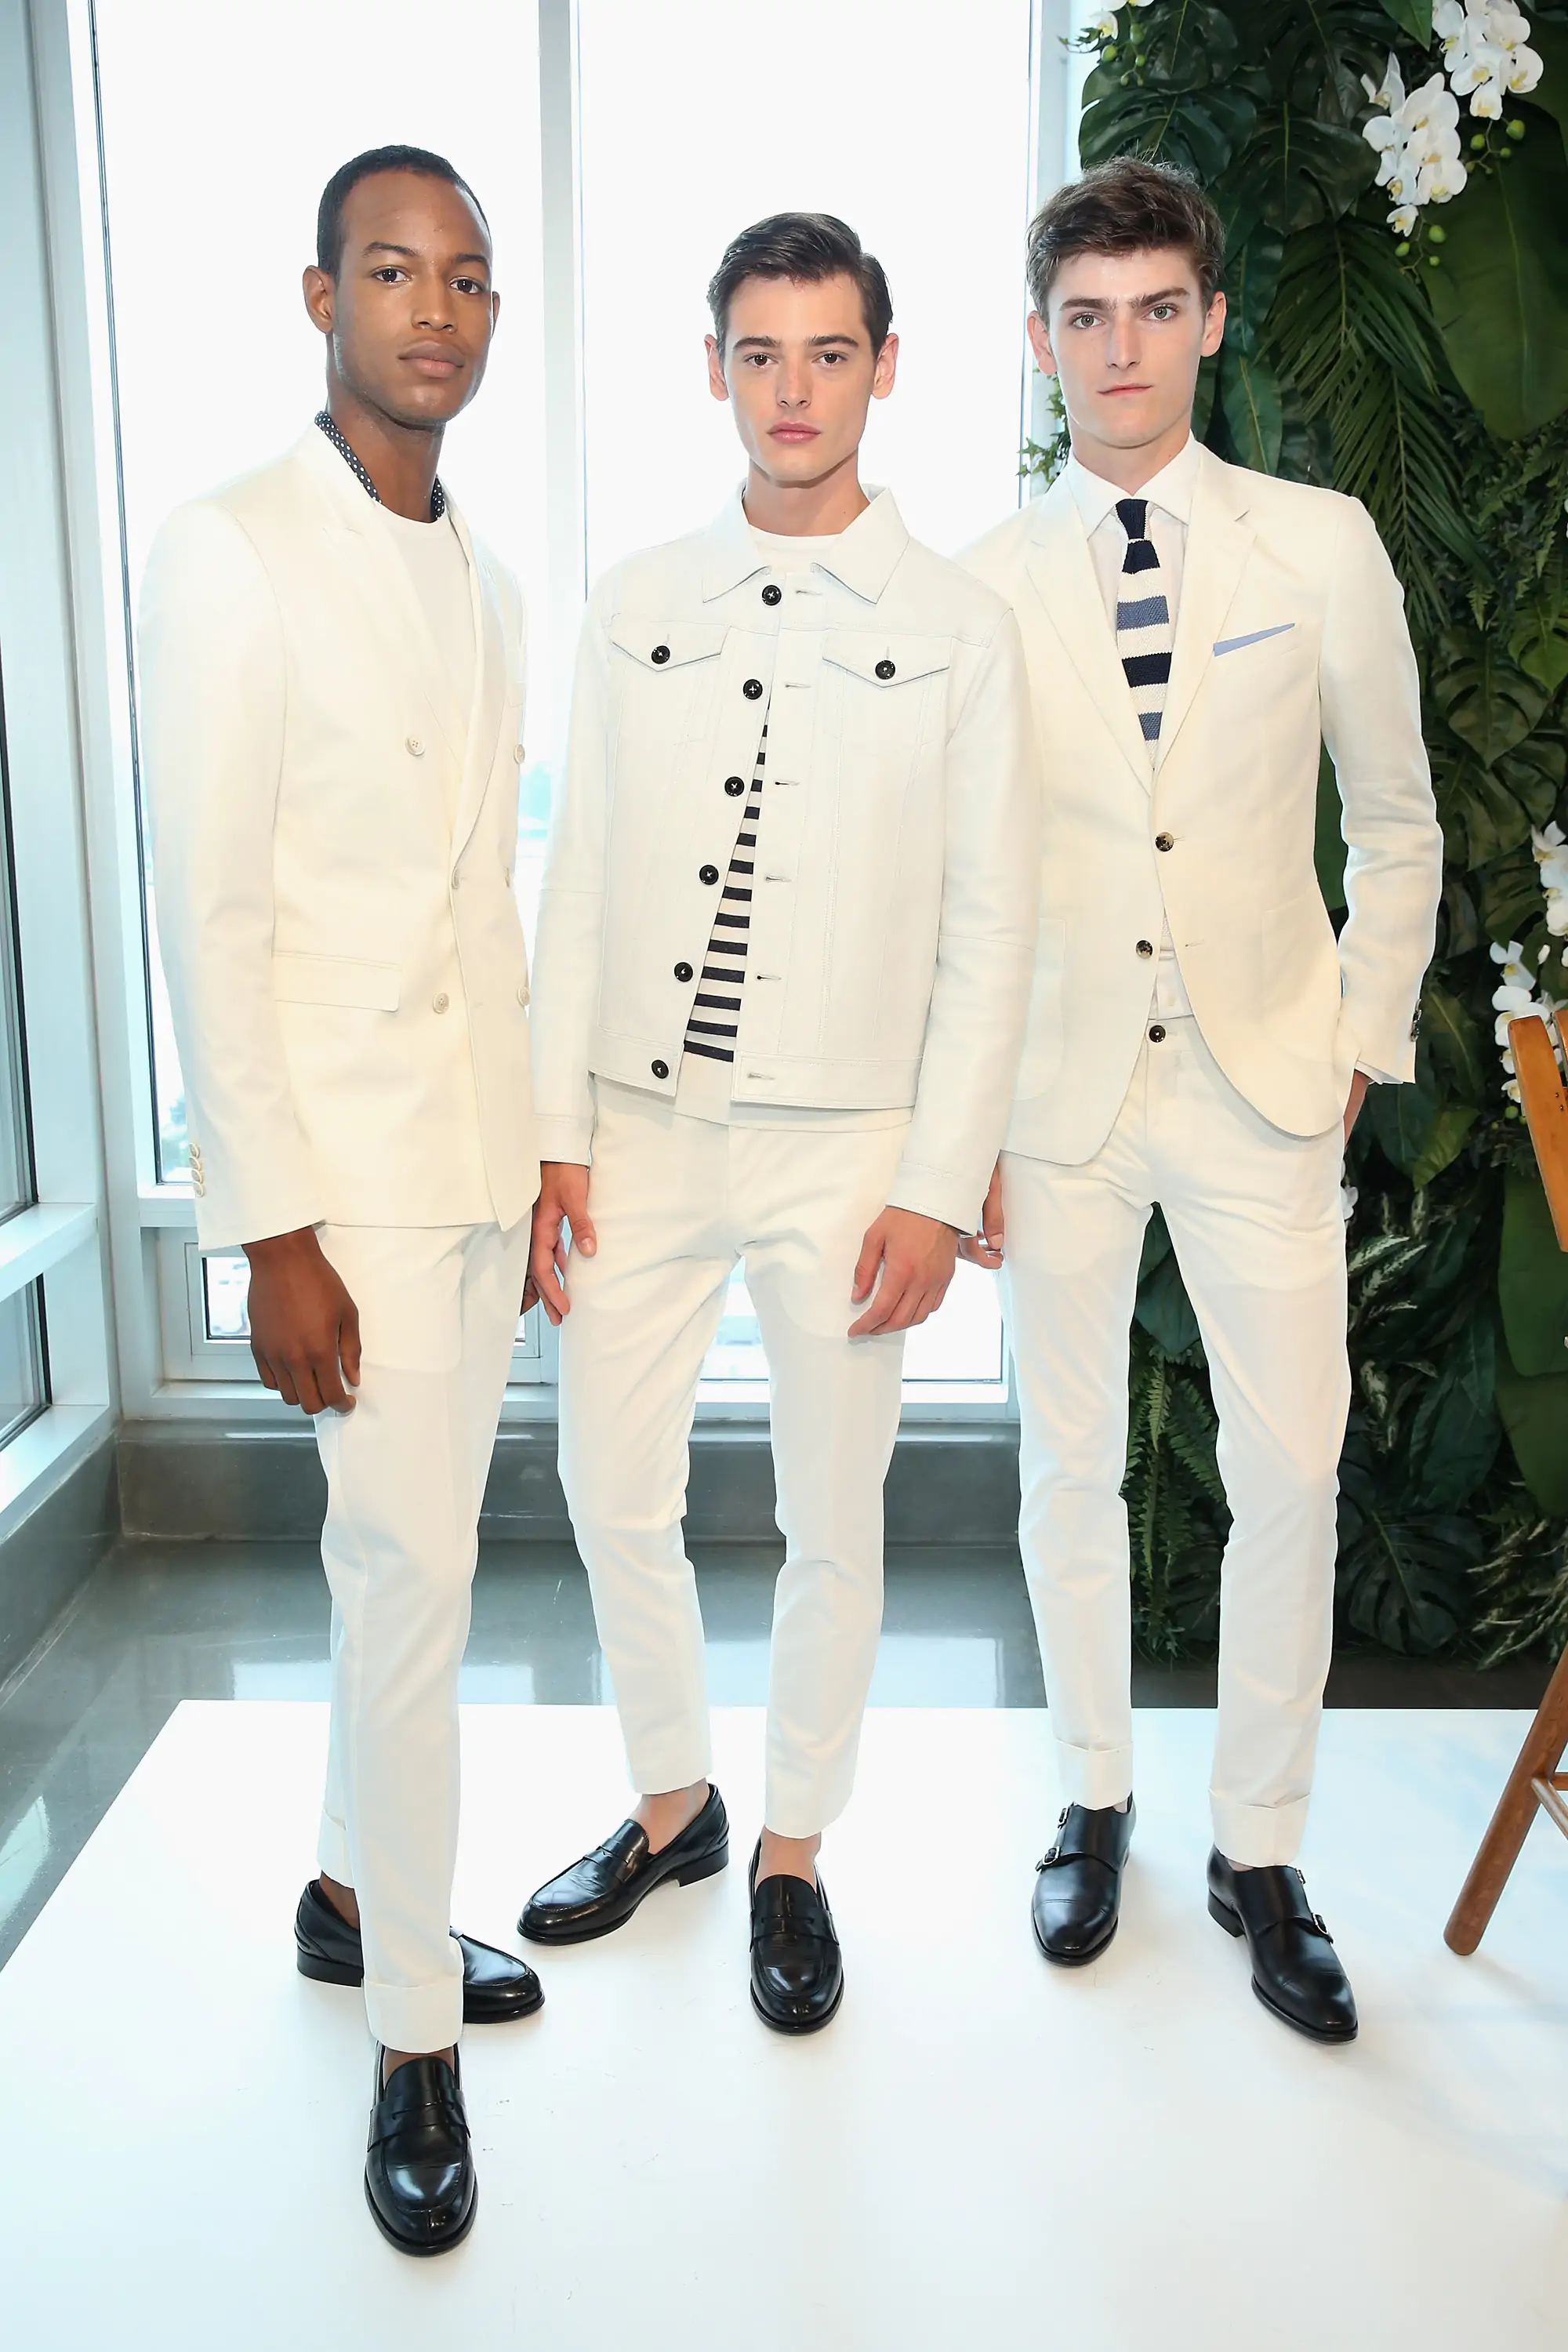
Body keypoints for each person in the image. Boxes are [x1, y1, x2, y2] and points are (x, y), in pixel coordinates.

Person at [521, 213, 1038, 2031]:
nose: (794, 389)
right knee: (605, 1482)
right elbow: (576, 874)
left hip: (849, 1146)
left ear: (883, 366)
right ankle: (674, 1802)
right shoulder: (635, 601)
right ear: (714, 367)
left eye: (829, 353)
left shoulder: (960, 627)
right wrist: (550, 1131)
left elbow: (991, 927)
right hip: (639, 1127)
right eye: (760, 352)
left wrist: (930, 1176)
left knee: (834, 1513)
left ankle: (793, 1849)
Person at [962, 157, 1442, 2042]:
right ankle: (1093, 1799)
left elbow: (1395, 824)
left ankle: (1261, 1845)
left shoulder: (1316, 544)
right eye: (1086, 316)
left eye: (1157, 308)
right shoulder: (987, 581)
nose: (1122, 348)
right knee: (1066, 1467)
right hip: (1057, 1092)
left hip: (1261, 1084)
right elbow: (958, 877)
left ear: (1214, 321)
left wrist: (1354, 1040)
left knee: (1289, 1472)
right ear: (1039, 343)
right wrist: (958, 1131)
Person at [139, 146, 543, 2254]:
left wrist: (542, 1150)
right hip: (346, 1195)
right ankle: (411, 2043)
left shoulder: (488, 572)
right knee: (409, 1596)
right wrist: (267, 1225)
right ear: (320, 299)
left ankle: (337, 1892)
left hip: (470, 1170)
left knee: (411, 1573)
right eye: (394, 272)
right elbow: (206, 915)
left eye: (470, 280)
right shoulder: (232, 548)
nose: (436, 312)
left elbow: (497, 890)